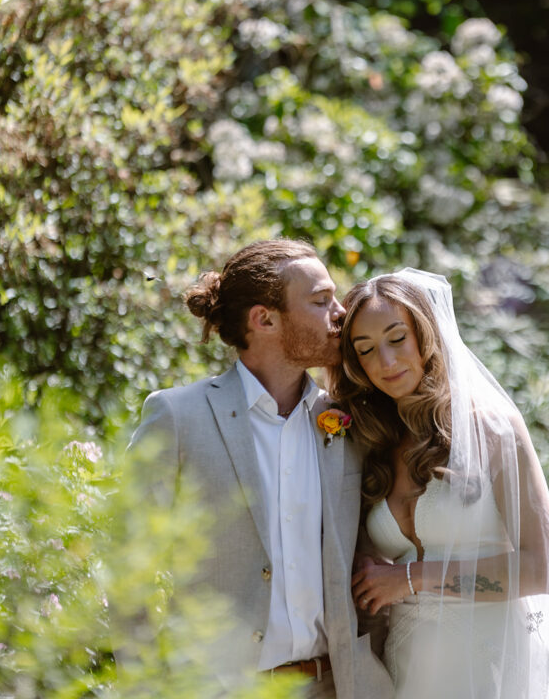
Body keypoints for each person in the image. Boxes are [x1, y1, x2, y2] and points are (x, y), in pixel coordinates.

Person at [124, 239, 393, 699]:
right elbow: (128, 565)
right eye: (320, 300)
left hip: (336, 686)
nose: (341, 313)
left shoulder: (351, 421)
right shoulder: (178, 418)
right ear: (264, 319)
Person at [328, 268, 549, 699]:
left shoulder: (491, 428)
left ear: (426, 335)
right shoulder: (372, 443)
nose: (385, 363)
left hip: (493, 667)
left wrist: (410, 578)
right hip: (407, 670)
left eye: (396, 339)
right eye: (366, 350)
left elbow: (543, 570)